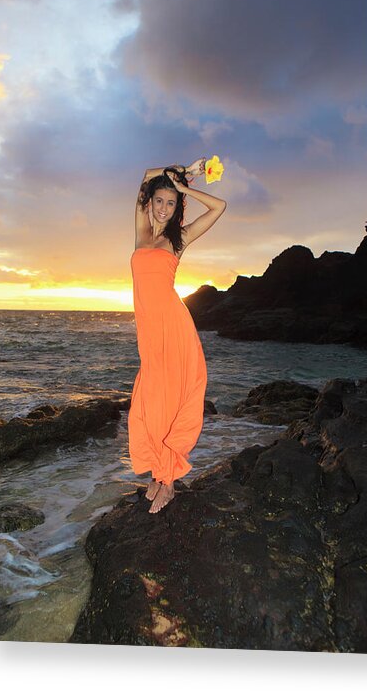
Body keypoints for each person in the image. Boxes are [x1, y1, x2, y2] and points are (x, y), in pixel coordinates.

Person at [128, 158, 227, 513]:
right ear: (150, 202)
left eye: (172, 203)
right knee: (148, 402)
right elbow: (144, 176)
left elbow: (220, 206)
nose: (165, 208)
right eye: (160, 201)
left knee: (170, 399)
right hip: (149, 330)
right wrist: (183, 169)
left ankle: (167, 482)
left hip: (173, 326)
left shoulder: (179, 239)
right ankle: (158, 471)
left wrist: (185, 186)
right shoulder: (141, 231)